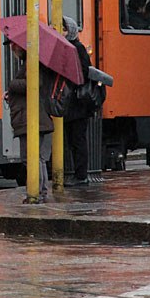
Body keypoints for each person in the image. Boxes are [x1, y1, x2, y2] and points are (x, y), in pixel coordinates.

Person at [5, 40, 54, 202]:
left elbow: (33, 83)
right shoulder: (31, 61)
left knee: (31, 158)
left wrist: (12, 85)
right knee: (38, 158)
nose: (12, 49)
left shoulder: (32, 62)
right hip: (33, 118)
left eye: (14, 45)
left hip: (30, 119)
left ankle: (37, 192)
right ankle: (41, 191)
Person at [63, 16, 92, 187]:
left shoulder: (77, 48)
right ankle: (78, 173)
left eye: (64, 29)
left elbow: (83, 73)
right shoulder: (68, 48)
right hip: (72, 104)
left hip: (78, 104)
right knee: (73, 140)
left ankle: (81, 175)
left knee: (77, 139)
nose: (62, 32)